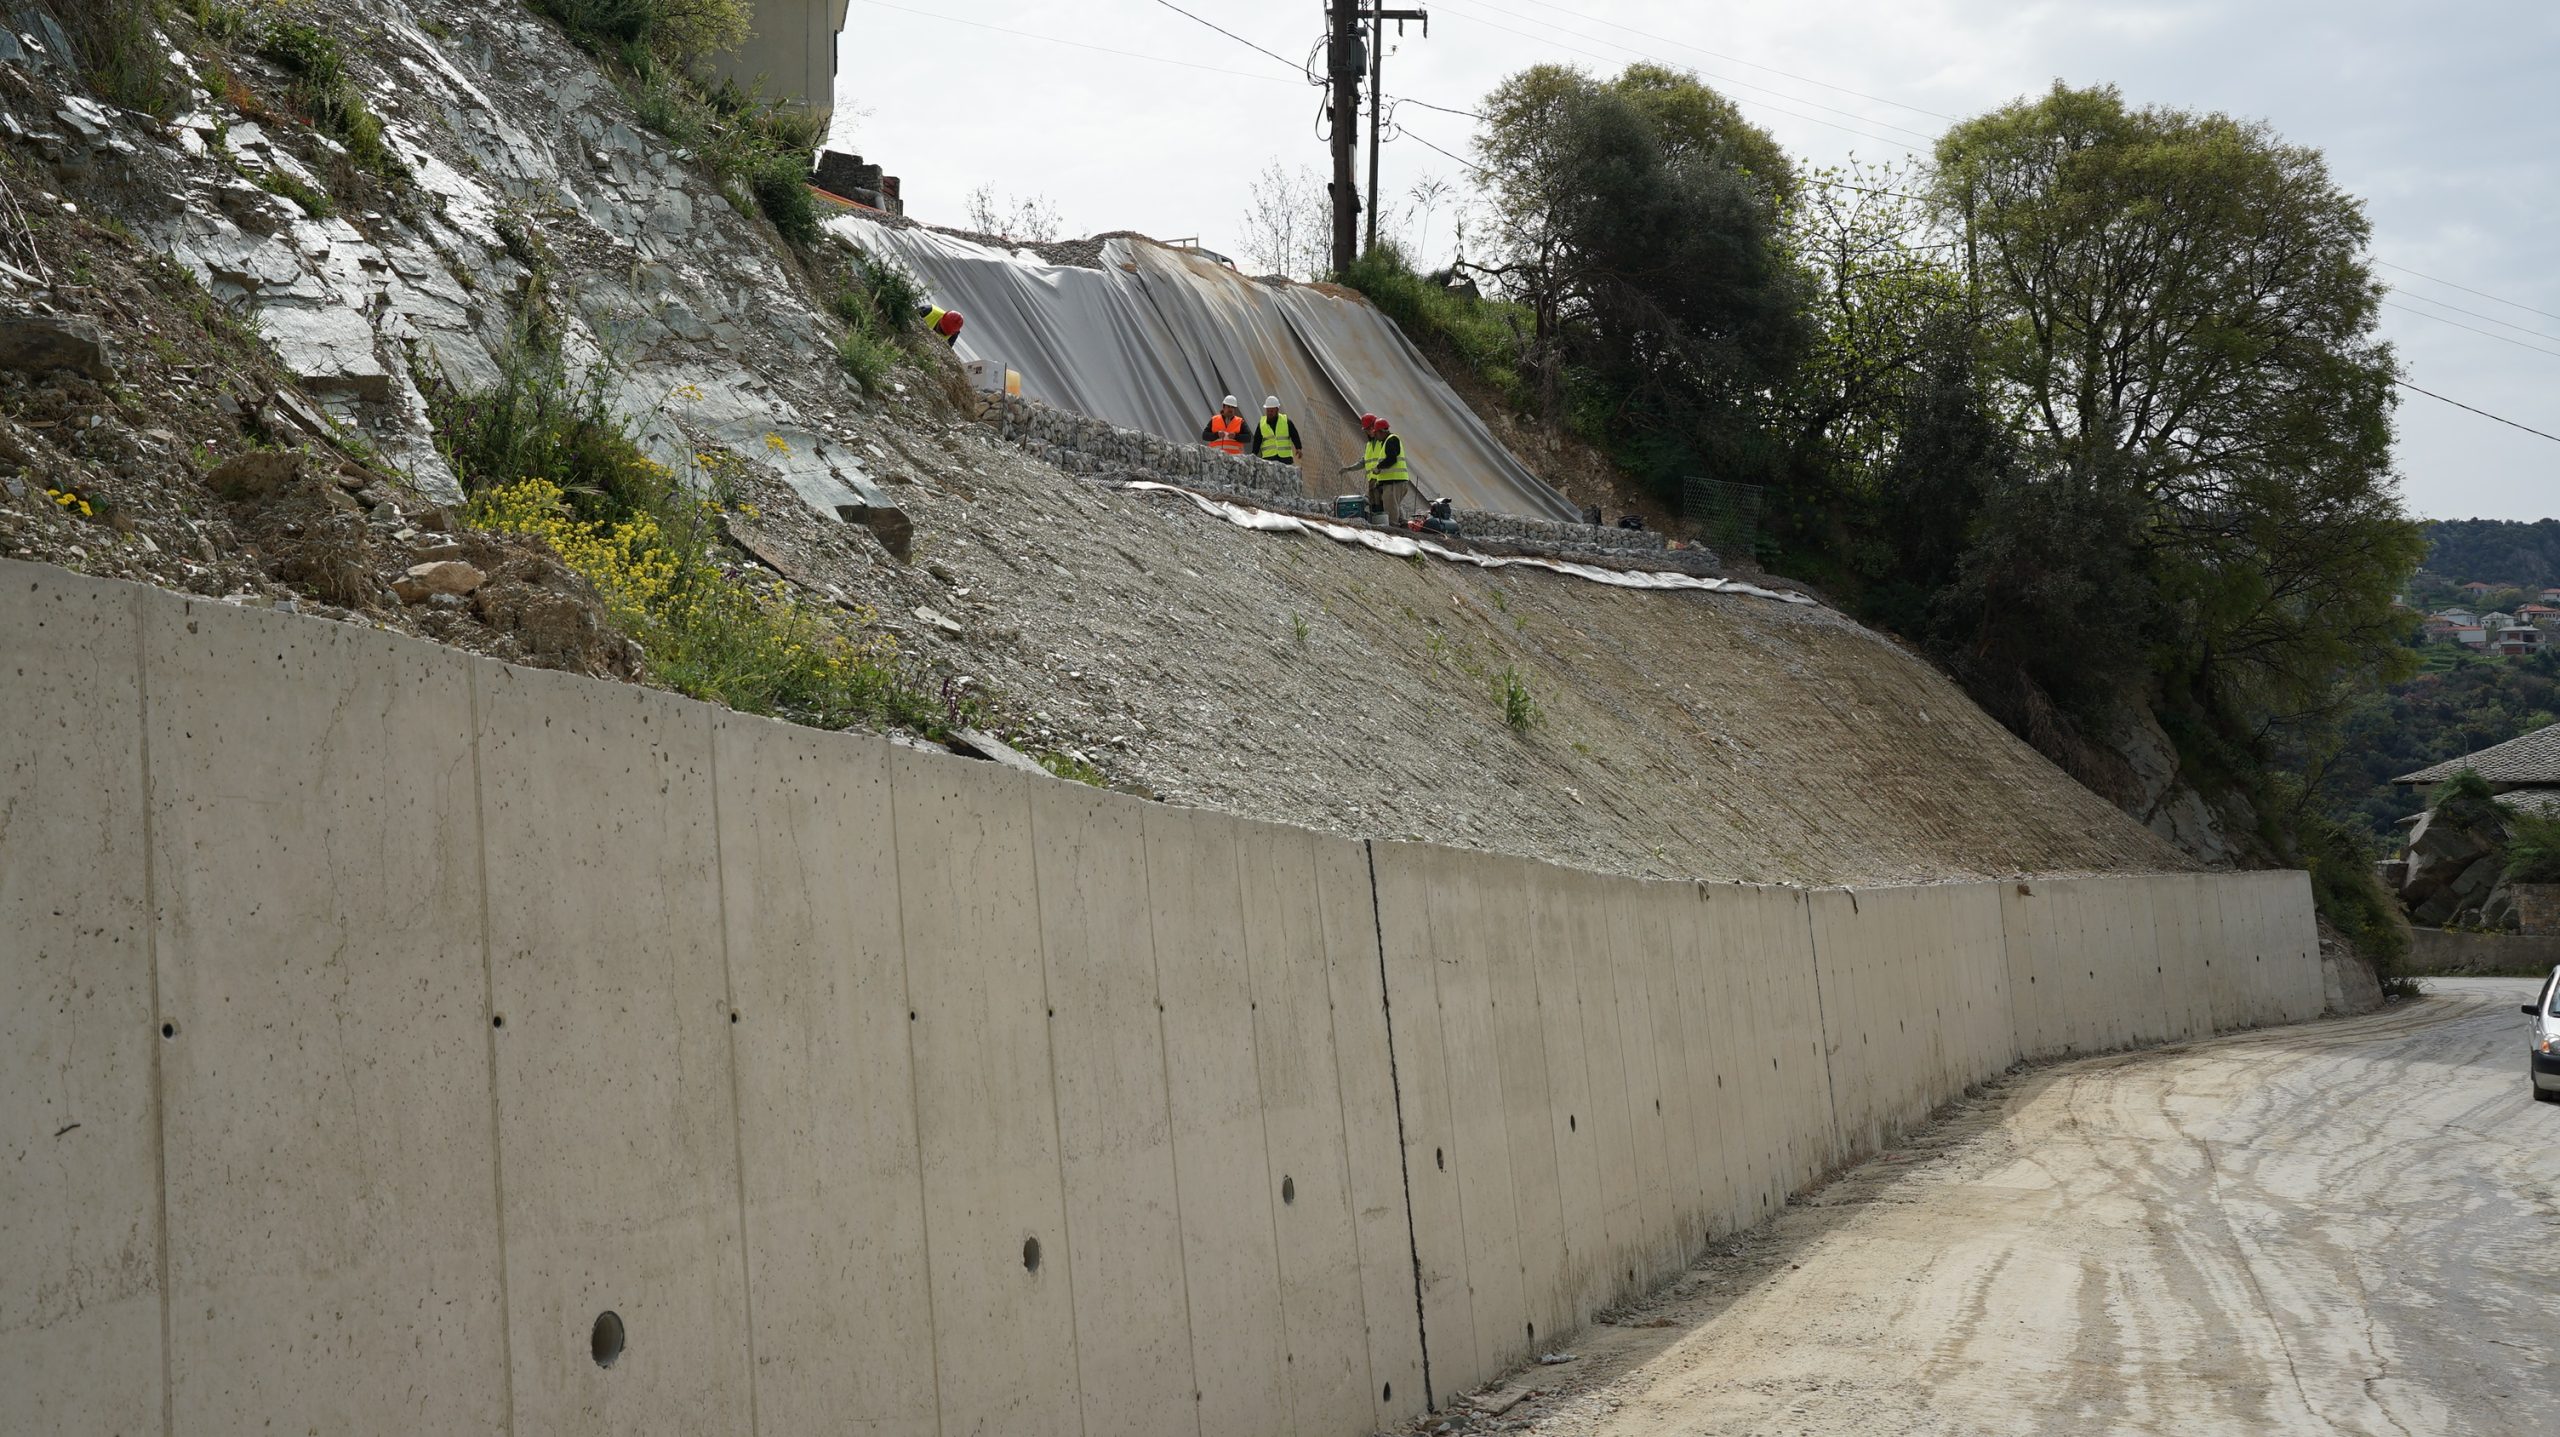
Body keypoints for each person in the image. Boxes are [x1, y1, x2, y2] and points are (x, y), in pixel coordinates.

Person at [1340, 413, 1416, 526]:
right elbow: (1365, 461)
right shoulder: (1370, 445)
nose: (1368, 432)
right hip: (1378, 480)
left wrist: (1378, 469)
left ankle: (1394, 527)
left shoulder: (1386, 440)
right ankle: (1391, 525)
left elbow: (1391, 459)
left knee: (1390, 506)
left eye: (1369, 429)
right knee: (1380, 506)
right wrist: (1350, 468)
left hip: (1389, 479)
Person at [1251, 395, 1300, 465]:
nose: (1269, 413)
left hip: (1285, 458)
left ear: (1277, 409)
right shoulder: (1262, 424)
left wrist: (1298, 447)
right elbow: (1257, 440)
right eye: (1268, 411)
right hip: (1269, 458)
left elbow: (1294, 434)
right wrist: (1254, 454)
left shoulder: (1286, 421)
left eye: (1272, 411)